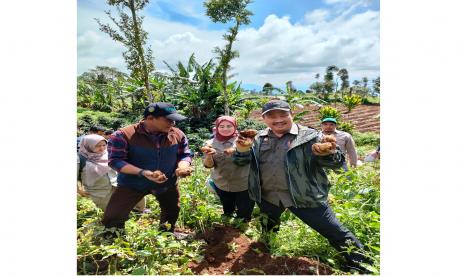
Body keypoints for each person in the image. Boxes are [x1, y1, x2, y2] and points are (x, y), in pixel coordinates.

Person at [233, 99, 370, 272]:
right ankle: (265, 254)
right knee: (268, 226)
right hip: (268, 196)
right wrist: (242, 150)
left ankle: (363, 265)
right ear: (264, 118)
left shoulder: (311, 136)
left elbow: (337, 164)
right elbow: (241, 162)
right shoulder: (259, 138)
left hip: (304, 195)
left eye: (283, 114)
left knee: (334, 230)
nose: (278, 120)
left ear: (291, 115)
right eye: (272, 116)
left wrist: (329, 154)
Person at [102, 102, 193, 236]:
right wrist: (143, 172)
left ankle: (165, 237)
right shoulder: (123, 135)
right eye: (168, 120)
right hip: (132, 184)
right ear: (150, 118)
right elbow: (115, 161)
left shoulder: (177, 134)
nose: (172, 123)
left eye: (174, 120)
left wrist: (182, 167)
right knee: (113, 216)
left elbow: (184, 155)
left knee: (172, 210)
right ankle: (113, 243)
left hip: (167, 183)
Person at [201, 116, 254, 222]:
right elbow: (208, 165)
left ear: (235, 127)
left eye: (229, 126)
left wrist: (240, 149)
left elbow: (250, 160)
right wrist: (208, 155)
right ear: (217, 127)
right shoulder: (210, 143)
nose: (225, 129)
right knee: (228, 208)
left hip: (243, 184)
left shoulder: (243, 141)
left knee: (244, 212)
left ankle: (243, 226)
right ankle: (228, 224)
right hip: (222, 183)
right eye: (222, 126)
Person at [77, 134, 146, 212]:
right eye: (97, 146)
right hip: (100, 191)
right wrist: (79, 190)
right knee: (112, 211)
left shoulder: (108, 153)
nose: (102, 148)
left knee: (137, 196)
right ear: (88, 145)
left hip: (116, 183)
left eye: (104, 145)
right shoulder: (81, 158)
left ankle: (139, 211)